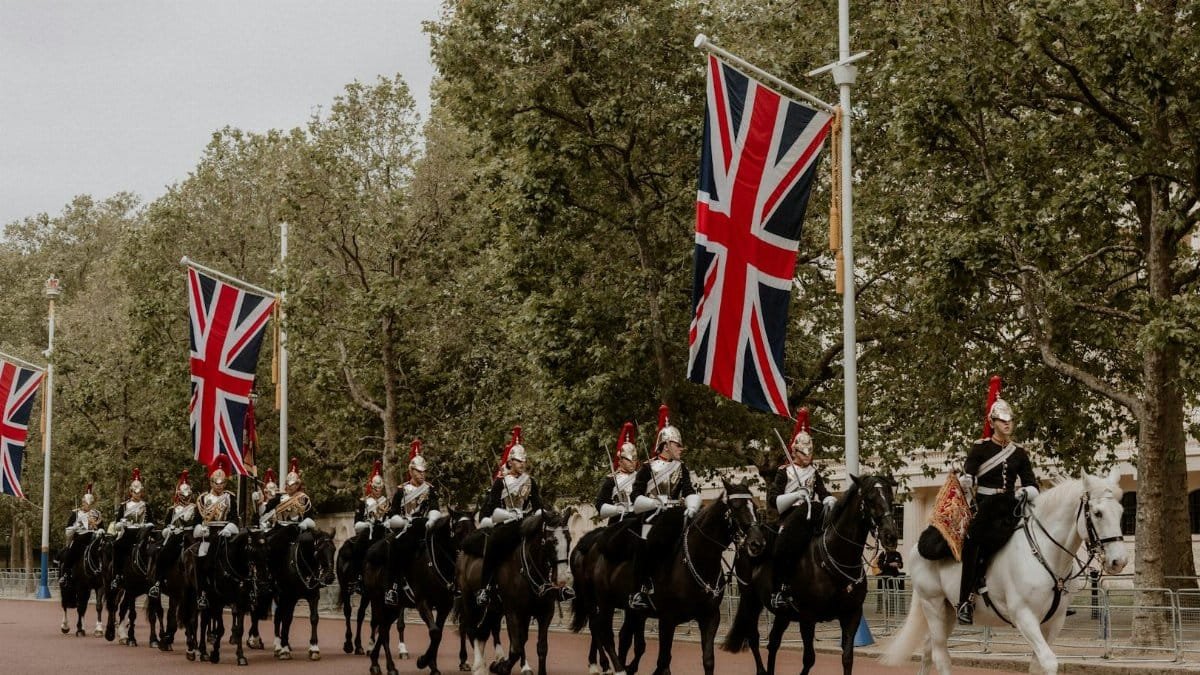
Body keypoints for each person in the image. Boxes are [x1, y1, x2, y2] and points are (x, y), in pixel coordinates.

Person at [955, 390, 1040, 625]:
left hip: (1012, 506)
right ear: (992, 423)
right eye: (1002, 420)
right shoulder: (980, 448)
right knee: (973, 544)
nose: (1007, 424)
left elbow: (1031, 482)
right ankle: (965, 600)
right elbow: (969, 473)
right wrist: (967, 480)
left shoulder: (1019, 452)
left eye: (1010, 420)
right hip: (986, 507)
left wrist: (1025, 492)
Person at [627, 405, 700, 612]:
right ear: (666, 445)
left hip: (677, 515)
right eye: (678, 445)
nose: (681, 448)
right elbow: (635, 497)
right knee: (644, 543)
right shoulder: (648, 468)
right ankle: (640, 589)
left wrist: (692, 507)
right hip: (652, 517)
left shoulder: (681, 467)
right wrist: (654, 502)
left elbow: (689, 490)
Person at [766, 407, 836, 609]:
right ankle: (779, 589)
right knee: (782, 548)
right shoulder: (784, 472)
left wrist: (829, 499)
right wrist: (796, 495)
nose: (808, 456)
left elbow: (822, 492)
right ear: (794, 451)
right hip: (790, 516)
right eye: (804, 452)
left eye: (810, 452)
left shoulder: (814, 472)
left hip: (811, 515)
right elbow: (773, 499)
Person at [474, 426, 543, 606]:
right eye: (519, 461)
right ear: (511, 461)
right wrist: (510, 515)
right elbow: (492, 508)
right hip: (506, 524)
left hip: (526, 523)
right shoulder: (501, 482)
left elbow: (537, 505)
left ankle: (548, 584)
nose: (522, 464)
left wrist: (540, 516)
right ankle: (485, 587)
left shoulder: (530, 481)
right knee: (493, 546)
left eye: (524, 461)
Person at [382, 438, 443, 606]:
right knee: (395, 546)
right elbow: (393, 513)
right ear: (411, 471)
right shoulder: (402, 490)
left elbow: (434, 508)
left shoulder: (430, 489)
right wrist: (401, 521)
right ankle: (392, 588)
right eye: (418, 471)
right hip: (408, 529)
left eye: (424, 471)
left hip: (426, 527)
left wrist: (432, 519)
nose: (422, 474)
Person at [194, 454, 240, 609]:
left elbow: (234, 518)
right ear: (211, 482)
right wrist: (200, 529)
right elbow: (196, 520)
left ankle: (238, 591)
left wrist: (229, 528)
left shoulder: (230, 498)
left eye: (222, 482)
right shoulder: (202, 499)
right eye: (217, 482)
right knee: (201, 559)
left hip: (225, 534)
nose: (220, 485)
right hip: (208, 535)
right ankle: (202, 593)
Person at [149, 469, 198, 599]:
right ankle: (158, 582)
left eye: (188, 495)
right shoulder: (172, 510)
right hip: (176, 537)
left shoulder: (195, 508)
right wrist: (169, 530)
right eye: (184, 495)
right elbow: (166, 526)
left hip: (191, 536)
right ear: (179, 494)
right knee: (163, 554)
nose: (186, 497)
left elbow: (198, 522)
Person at [352, 460, 390, 594]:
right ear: (371, 487)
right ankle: (357, 577)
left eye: (380, 488)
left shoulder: (386, 502)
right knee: (358, 548)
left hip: (383, 532)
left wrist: (388, 522)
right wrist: (366, 524)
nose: (378, 491)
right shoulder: (363, 503)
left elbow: (389, 517)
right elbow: (357, 523)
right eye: (375, 488)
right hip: (368, 533)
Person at [111, 467, 153, 589]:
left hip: (142, 533)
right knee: (116, 546)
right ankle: (117, 575)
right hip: (128, 533)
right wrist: (121, 524)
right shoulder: (124, 506)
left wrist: (148, 526)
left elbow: (151, 522)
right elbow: (117, 522)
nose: (137, 494)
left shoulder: (146, 506)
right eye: (135, 492)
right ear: (131, 492)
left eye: (139, 492)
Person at [60, 483, 103, 589]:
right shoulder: (76, 514)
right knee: (70, 552)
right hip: (80, 537)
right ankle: (66, 573)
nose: (86, 505)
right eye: (85, 503)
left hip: (94, 537)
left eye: (89, 504)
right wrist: (75, 527)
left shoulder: (97, 514)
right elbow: (68, 530)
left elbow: (102, 526)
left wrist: (101, 531)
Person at [594, 422, 639, 525]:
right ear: (620, 461)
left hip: (639, 520)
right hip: (618, 521)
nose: (632, 463)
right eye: (628, 460)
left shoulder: (641, 477)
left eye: (634, 460)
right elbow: (600, 504)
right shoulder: (611, 480)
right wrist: (616, 509)